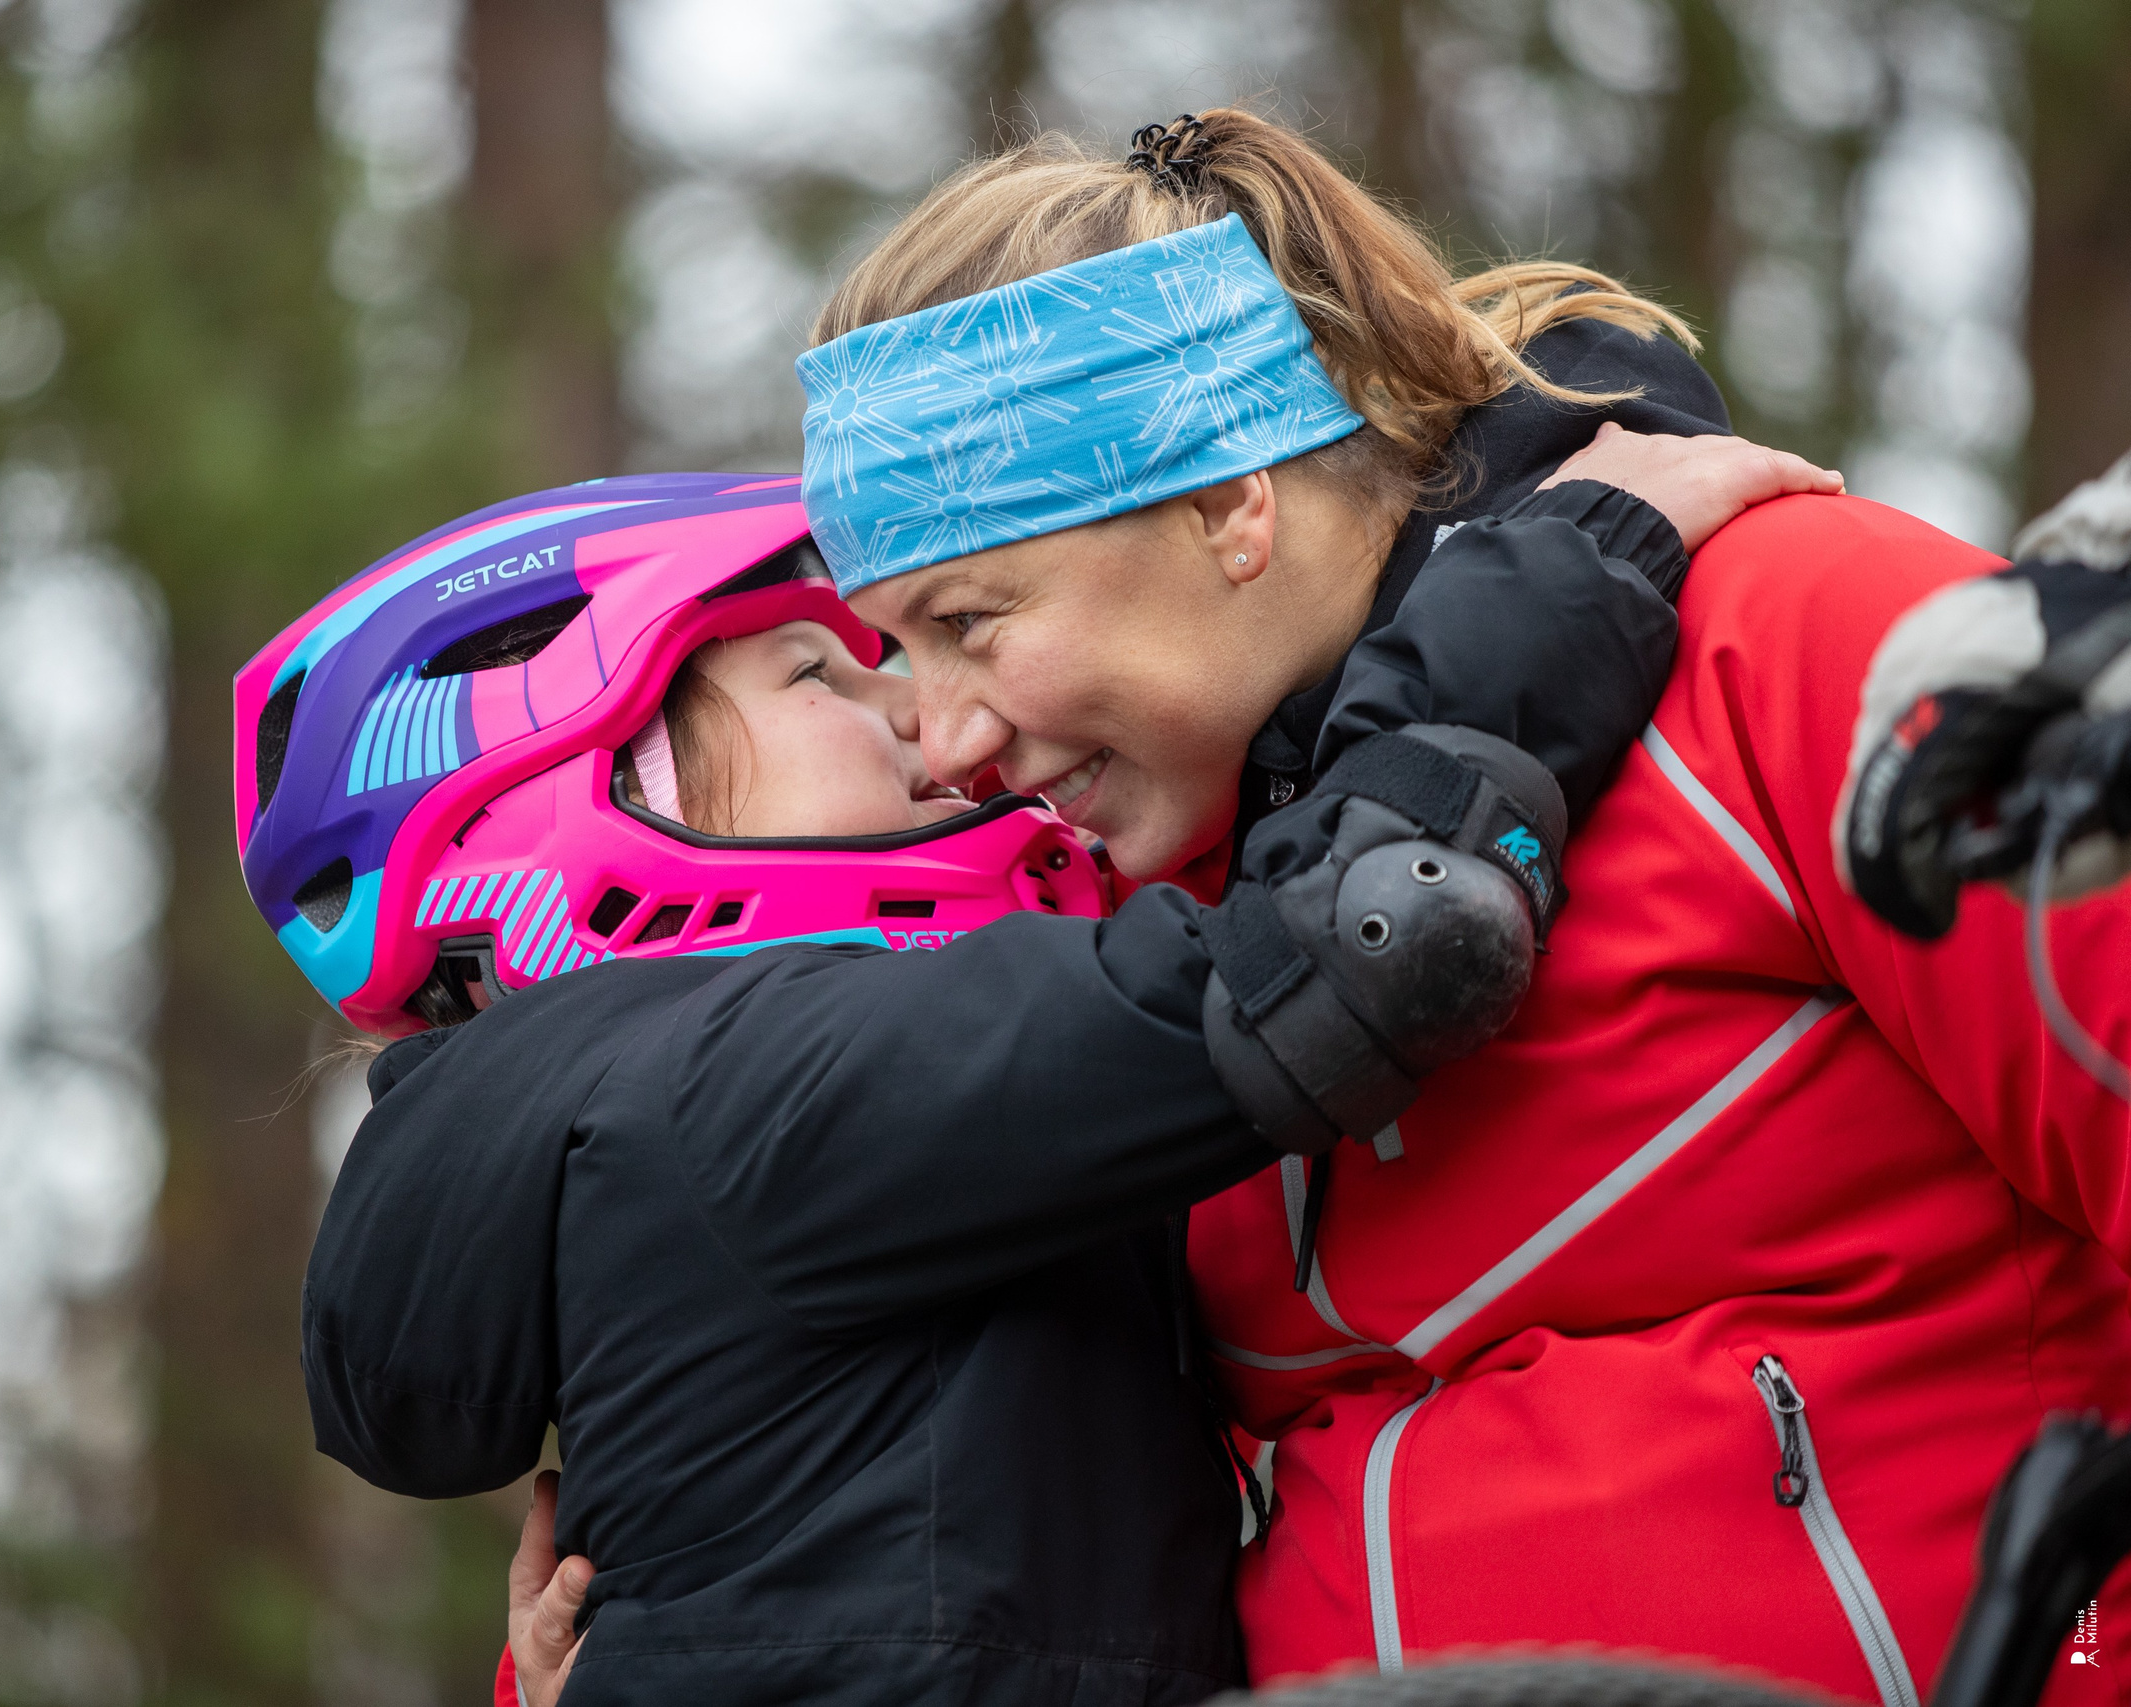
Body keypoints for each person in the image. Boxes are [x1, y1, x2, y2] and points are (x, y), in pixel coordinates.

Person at [770, 112, 2131, 1706]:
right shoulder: (1132, 934)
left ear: (1227, 506)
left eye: (972, 621)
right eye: (891, 654)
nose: (944, 745)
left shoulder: (1791, 640)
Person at [245, 413, 1806, 1703]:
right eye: (823, 678)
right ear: (606, 795)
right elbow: (1349, 953)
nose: (931, 732)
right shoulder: (738, 1082)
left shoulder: (606, 1120)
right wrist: (1567, 569)